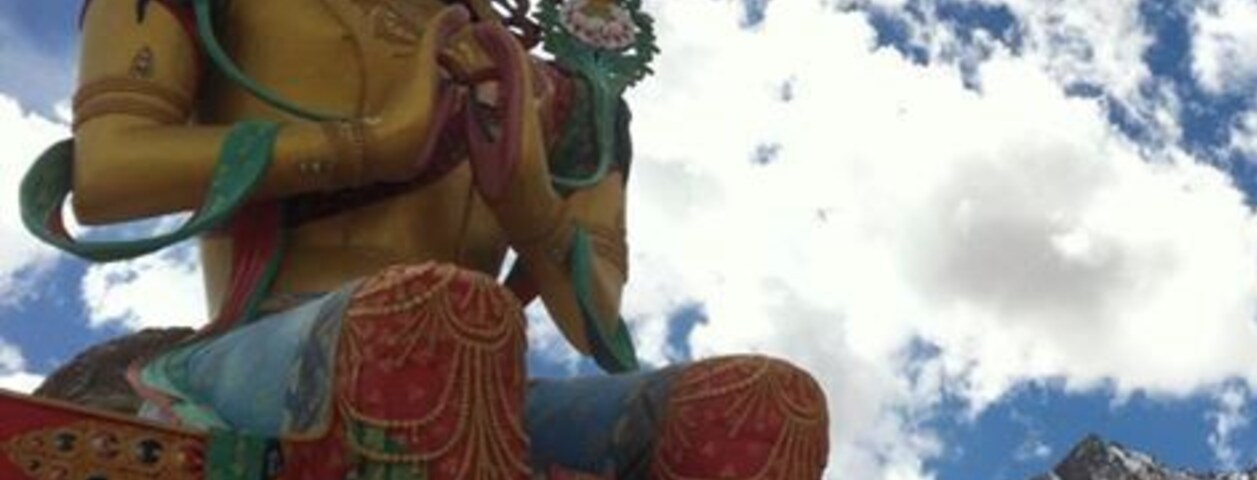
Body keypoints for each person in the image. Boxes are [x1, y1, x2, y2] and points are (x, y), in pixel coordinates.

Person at [28, 0, 830, 477]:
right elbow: (107, 173)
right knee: (439, 318)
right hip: (271, 338)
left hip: (477, 354)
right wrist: (371, 144)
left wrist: (527, 203)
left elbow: (596, 323)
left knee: (764, 406)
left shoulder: (564, 89)